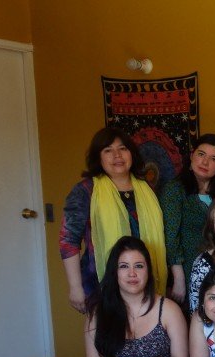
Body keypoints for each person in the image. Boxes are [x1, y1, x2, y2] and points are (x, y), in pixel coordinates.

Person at [60, 126, 168, 312]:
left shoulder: (147, 189)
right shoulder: (86, 191)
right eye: (108, 150)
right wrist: (75, 287)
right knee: (110, 338)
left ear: (131, 153)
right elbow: (68, 241)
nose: (117, 155)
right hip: (100, 283)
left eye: (122, 148)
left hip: (146, 281)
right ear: (98, 157)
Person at [159, 133, 215, 304]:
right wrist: (178, 279)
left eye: (214, 159)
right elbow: (170, 237)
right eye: (201, 154)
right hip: (189, 269)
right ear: (192, 156)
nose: (205, 162)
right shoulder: (175, 190)